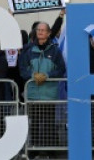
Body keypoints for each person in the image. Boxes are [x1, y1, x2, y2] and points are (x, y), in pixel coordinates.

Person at [19, 21, 65, 151]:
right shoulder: (28, 50)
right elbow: (22, 70)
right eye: (38, 29)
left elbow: (61, 69)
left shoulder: (55, 51)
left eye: (43, 30)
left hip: (49, 95)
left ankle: (51, 150)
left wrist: (46, 76)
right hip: (33, 95)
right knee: (34, 124)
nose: (40, 32)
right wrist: (34, 76)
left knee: (49, 124)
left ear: (49, 33)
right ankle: (34, 150)